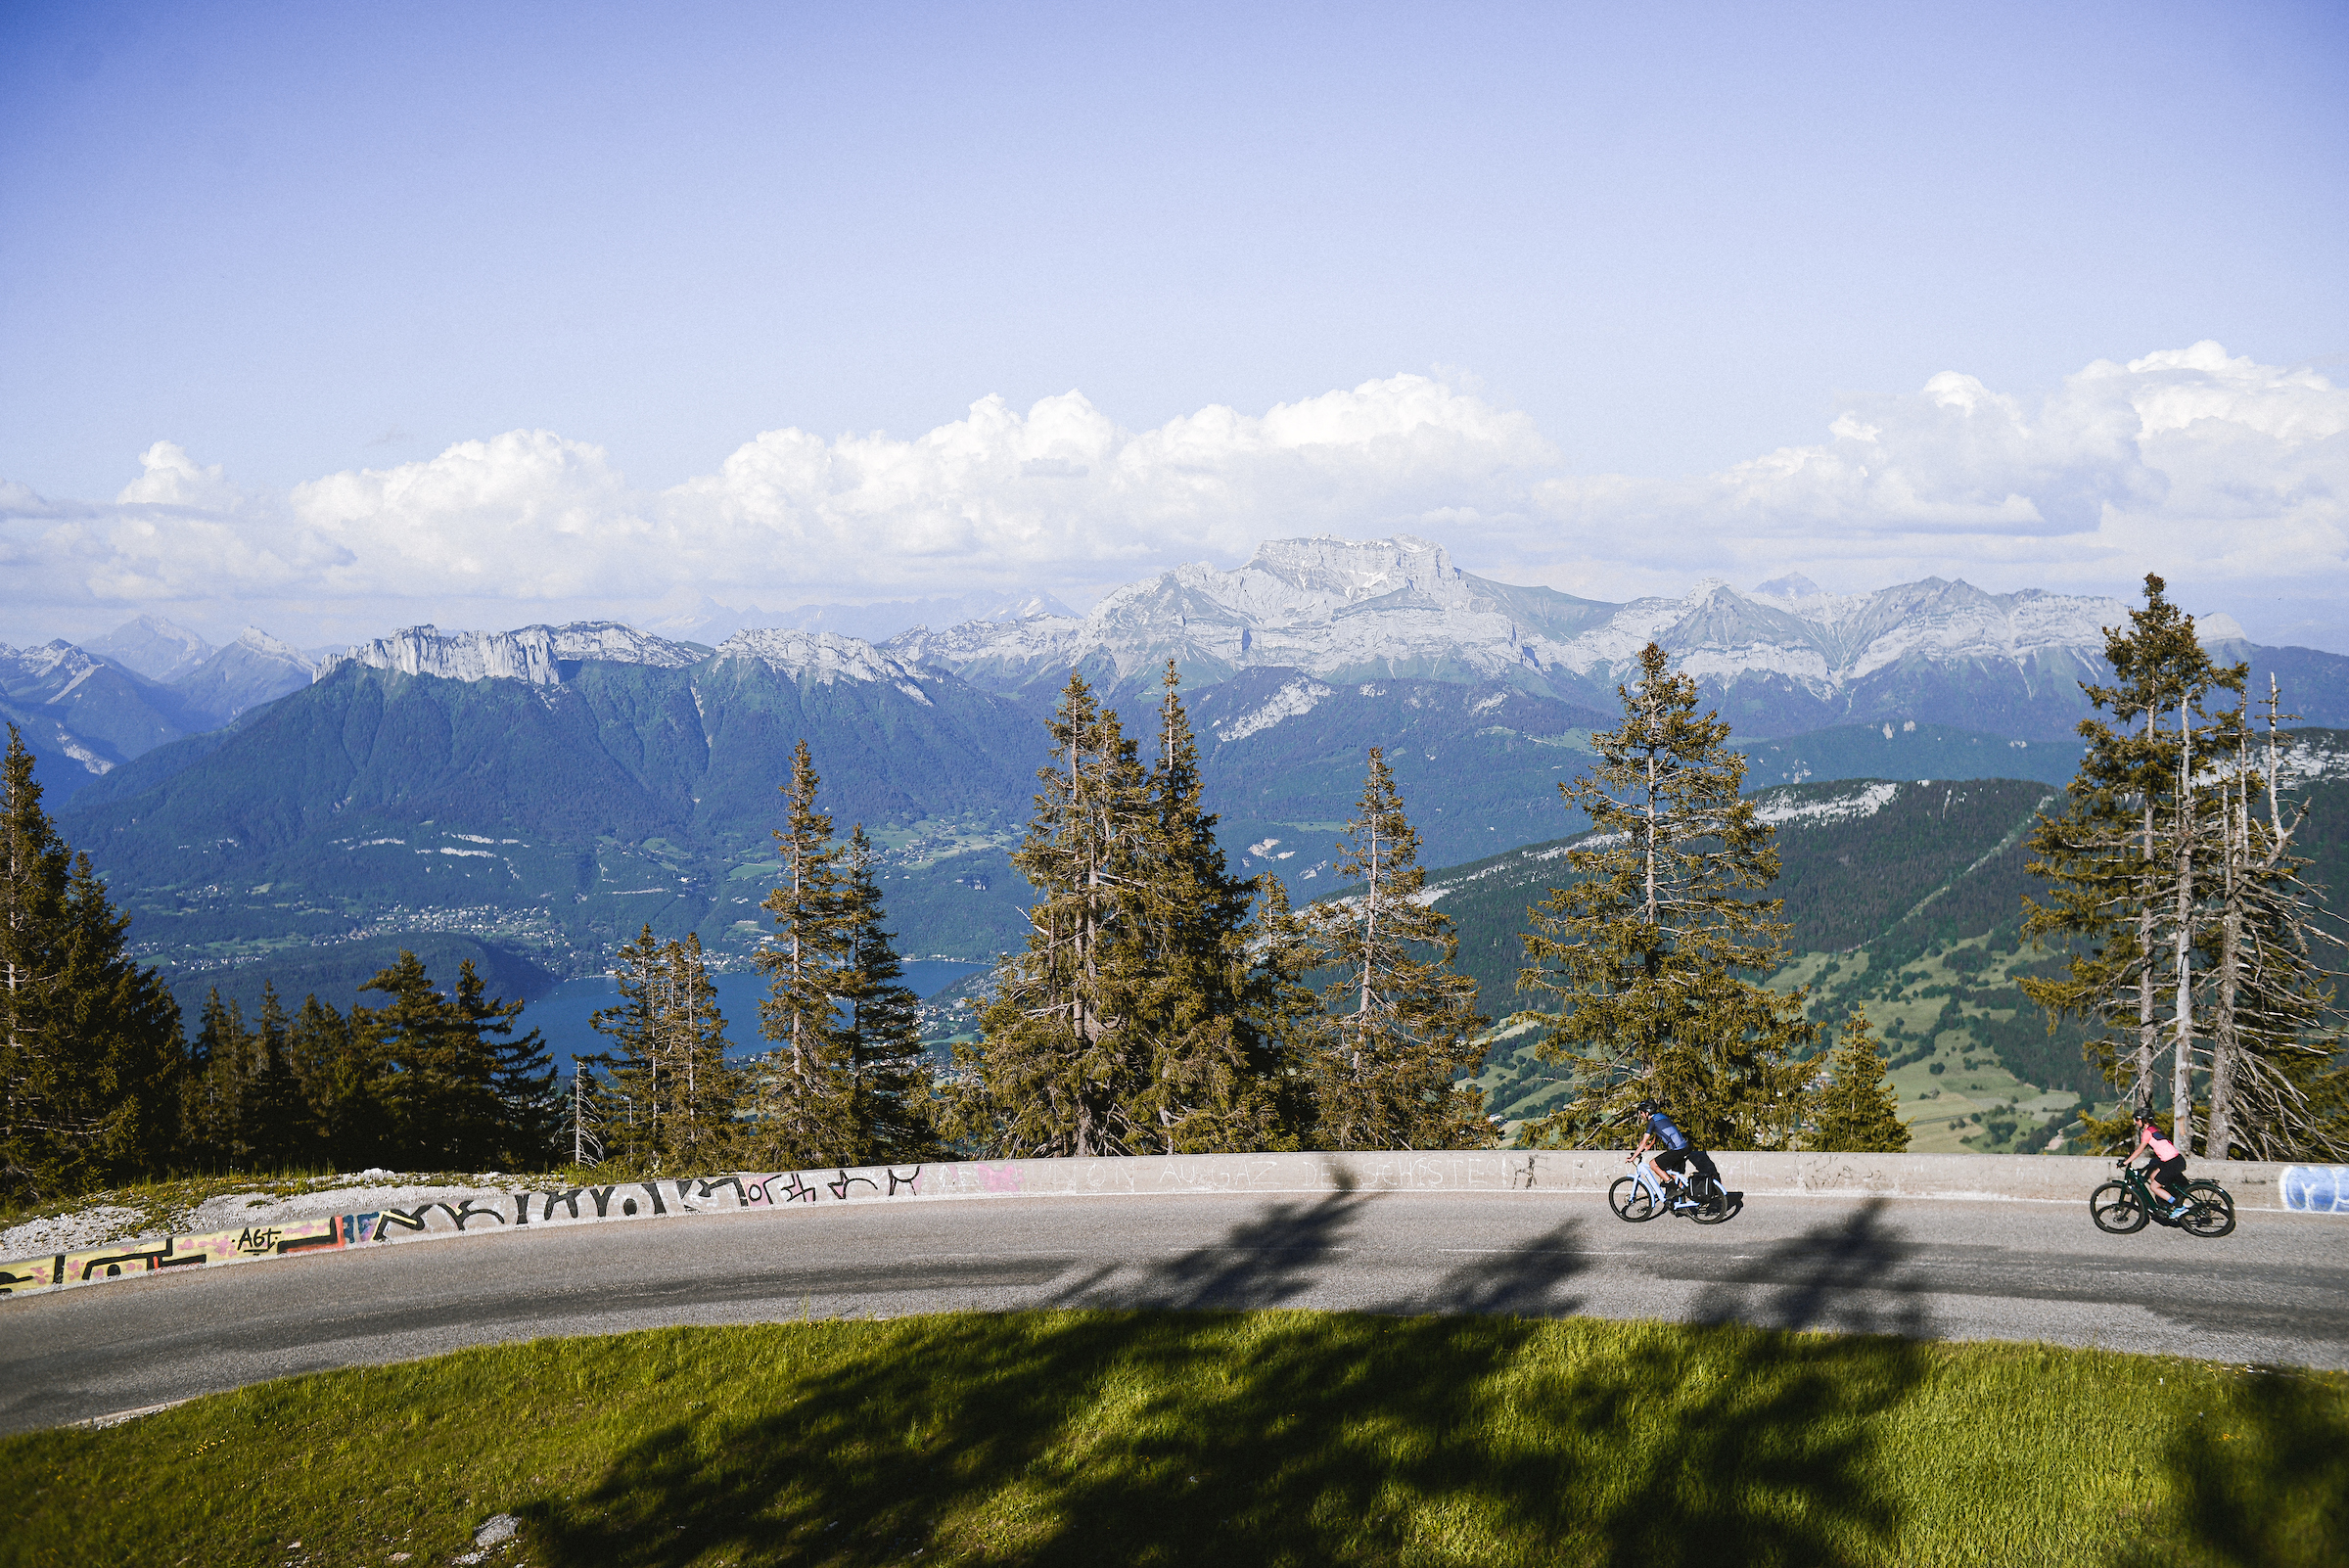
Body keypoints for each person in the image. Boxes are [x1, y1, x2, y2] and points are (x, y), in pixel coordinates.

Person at [1631, 1099, 1722, 1213]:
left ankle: (1674, 1188)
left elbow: (1643, 1142)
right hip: (1685, 1147)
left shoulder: (1652, 1122)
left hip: (1678, 1150)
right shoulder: (1661, 1116)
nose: (1641, 1114)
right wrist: (1651, 1145)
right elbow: (1659, 1133)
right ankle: (1682, 1204)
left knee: (1653, 1164)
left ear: (1647, 1112)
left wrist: (1633, 1157)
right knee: (1673, 1173)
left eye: (1641, 1112)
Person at [2132, 1109, 2192, 1220]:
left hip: (2172, 1163)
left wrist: (2125, 1162)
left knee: (2154, 1187)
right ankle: (2165, 1202)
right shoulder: (2155, 1129)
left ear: (2144, 1120)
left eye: (2137, 1119)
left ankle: (2178, 1206)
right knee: (2153, 1176)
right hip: (2176, 1160)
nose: (2135, 1122)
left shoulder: (2147, 1133)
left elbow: (2139, 1150)